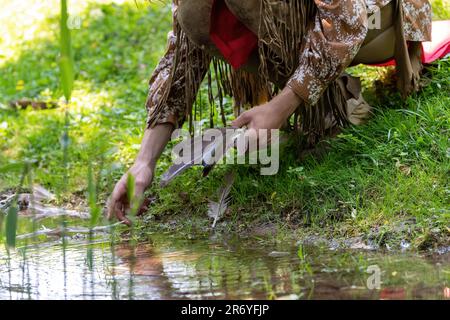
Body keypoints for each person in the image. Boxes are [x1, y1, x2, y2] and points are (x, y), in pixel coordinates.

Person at [107, 0, 432, 225]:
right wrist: (143, 163)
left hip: (379, 22)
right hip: (312, 23)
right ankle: (316, 89)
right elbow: (181, 60)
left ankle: (330, 100)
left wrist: (280, 107)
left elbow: (348, 23)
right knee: (196, 13)